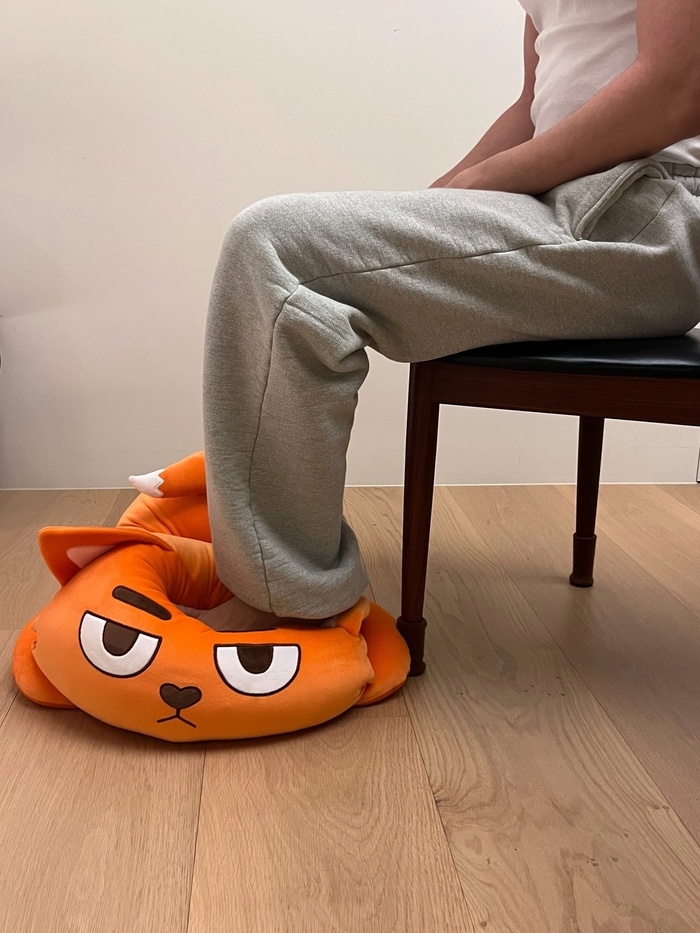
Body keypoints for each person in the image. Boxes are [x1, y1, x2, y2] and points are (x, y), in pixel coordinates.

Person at [202, 0, 700, 631]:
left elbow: (676, 88)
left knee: (274, 246)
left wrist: (476, 185)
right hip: (572, 199)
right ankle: (276, 574)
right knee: (286, 243)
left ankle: (283, 607)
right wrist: (435, 201)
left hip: (649, 210)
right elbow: (533, 105)